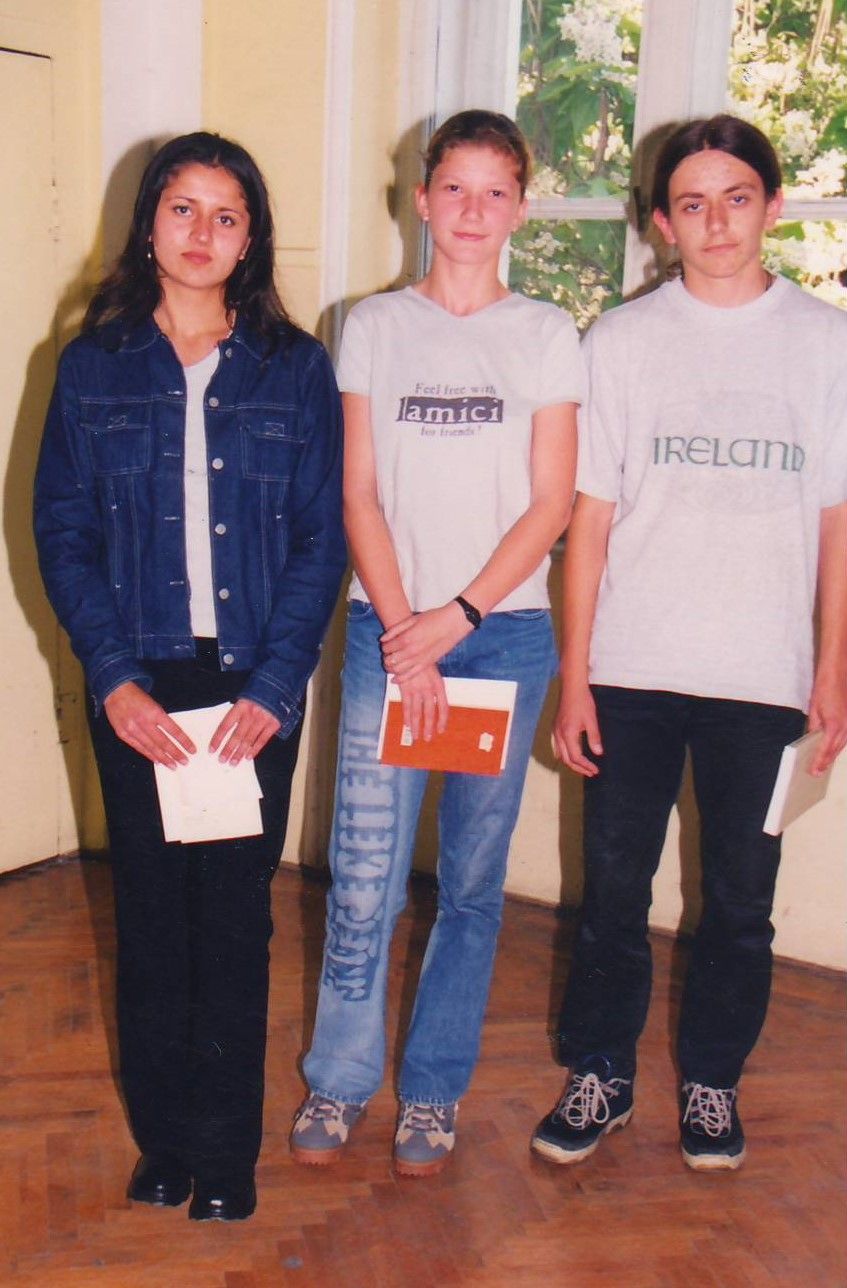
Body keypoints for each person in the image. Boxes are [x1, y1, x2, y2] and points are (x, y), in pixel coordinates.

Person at [34, 132, 346, 1219]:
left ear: (250, 236)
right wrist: (113, 679)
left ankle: (225, 1154)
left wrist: (275, 686)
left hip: (249, 690)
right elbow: (63, 534)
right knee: (154, 922)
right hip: (141, 689)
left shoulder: (294, 367)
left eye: (226, 213)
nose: (202, 232)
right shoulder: (93, 364)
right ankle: (162, 1143)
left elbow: (320, 539)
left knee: (234, 924)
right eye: (183, 208)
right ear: (149, 225)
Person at [531, 113, 847, 1173]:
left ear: (773, 205)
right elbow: (590, 522)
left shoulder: (826, 343)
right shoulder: (620, 342)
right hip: (630, 673)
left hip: (762, 681)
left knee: (741, 904)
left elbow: (836, 523)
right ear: (662, 222)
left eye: (736, 198)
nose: (716, 223)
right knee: (612, 895)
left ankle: (711, 1082)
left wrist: (831, 674)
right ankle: (600, 1074)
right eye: (692, 204)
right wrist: (575, 677)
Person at [290, 109, 584, 1175]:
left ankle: (430, 1092)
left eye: (494, 191)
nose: (471, 209)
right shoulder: (371, 325)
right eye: (453, 187)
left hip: (499, 641)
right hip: (388, 635)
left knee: (467, 883)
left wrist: (453, 620)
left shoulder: (546, 333)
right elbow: (357, 492)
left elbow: (550, 504)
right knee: (366, 870)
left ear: (519, 209)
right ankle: (339, 1078)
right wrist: (401, 631)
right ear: (420, 200)